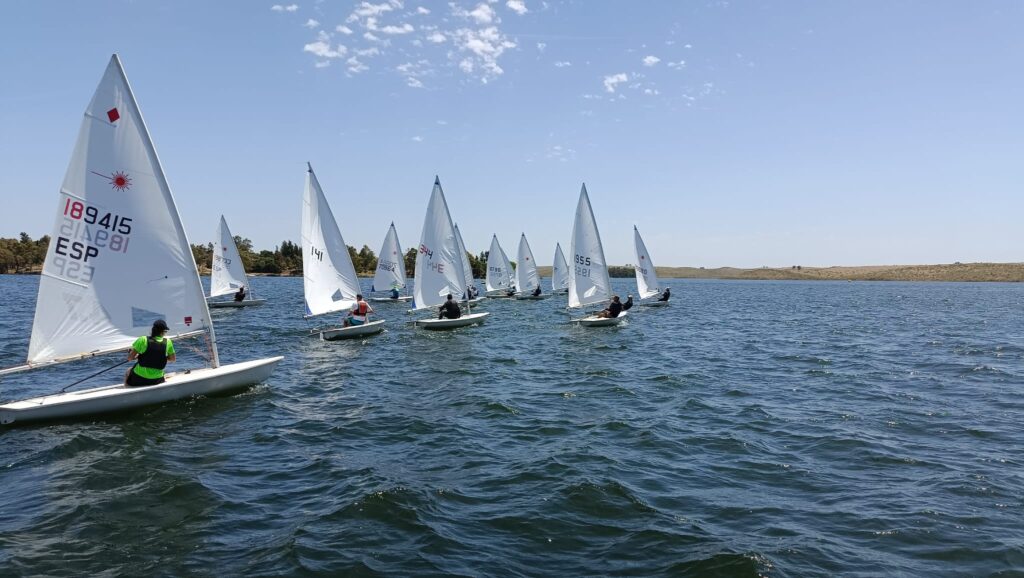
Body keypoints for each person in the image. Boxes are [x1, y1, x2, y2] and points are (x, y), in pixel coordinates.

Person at [124, 319, 176, 387]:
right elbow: (173, 359)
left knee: (128, 371)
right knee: (161, 373)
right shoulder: (168, 342)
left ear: (152, 330)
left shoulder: (143, 339)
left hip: (139, 379)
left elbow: (130, 358)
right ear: (162, 332)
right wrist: (159, 357)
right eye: (165, 331)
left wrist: (137, 356)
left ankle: (127, 388)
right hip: (157, 380)